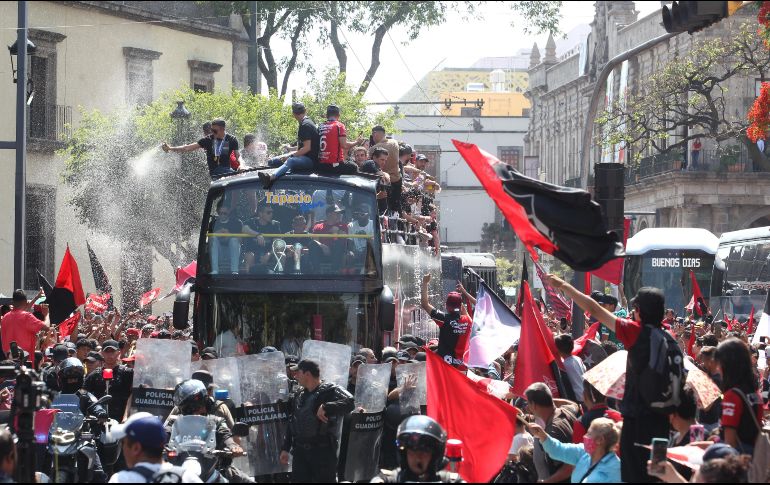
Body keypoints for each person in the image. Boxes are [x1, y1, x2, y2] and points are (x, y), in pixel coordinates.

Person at [546, 274, 677, 483]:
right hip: (663, 427)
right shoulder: (670, 340)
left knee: (634, 477)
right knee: (658, 475)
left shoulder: (637, 332)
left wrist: (564, 286)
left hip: (637, 425)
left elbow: (596, 310)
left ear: (639, 312)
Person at [280, 359, 354, 482]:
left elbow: (350, 402)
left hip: (322, 453)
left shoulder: (330, 390)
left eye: (298, 372)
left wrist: (326, 406)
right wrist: (285, 448)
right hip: (300, 453)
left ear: (307, 374)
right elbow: (293, 421)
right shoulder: (298, 394)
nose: (295, 376)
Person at [167, 379, 250, 483]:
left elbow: (224, 434)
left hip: (212, 465)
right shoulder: (175, 421)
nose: (200, 410)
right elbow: (164, 433)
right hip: (181, 465)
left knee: (244, 480)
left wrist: (233, 446)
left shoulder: (212, 421)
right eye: (190, 408)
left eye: (200, 406)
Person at [108, 413, 200, 483]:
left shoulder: (122, 479)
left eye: (124, 443)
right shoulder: (188, 477)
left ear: (136, 448)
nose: (123, 449)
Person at [372, 415, 464, 483]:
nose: (418, 457)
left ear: (435, 455)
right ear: (404, 453)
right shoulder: (388, 479)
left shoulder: (451, 481)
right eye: (412, 451)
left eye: (424, 452)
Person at [528, 417, 622, 483]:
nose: (584, 436)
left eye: (589, 434)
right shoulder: (582, 452)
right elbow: (559, 449)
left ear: (600, 440)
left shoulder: (615, 468)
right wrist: (543, 436)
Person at [715, 337, 763, 455]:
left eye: (720, 363)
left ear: (728, 365)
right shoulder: (755, 393)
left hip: (735, 461)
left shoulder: (732, 396)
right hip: (753, 456)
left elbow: (729, 444)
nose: (717, 368)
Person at [524, 382, 579, 483]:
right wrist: (547, 399)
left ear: (534, 405)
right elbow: (574, 405)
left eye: (529, 403)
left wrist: (547, 481)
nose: (528, 407)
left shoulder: (553, 431)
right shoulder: (565, 411)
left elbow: (569, 466)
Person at [261, 102, 319, 188]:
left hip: (310, 160)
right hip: (303, 156)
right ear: (306, 111)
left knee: (291, 161)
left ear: (293, 114)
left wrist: (290, 156)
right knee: (273, 161)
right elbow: (302, 147)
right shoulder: (306, 123)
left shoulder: (305, 125)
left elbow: (307, 148)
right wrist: (290, 149)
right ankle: (265, 174)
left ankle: (271, 177)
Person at [162, 118, 241, 178]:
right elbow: (187, 148)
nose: (212, 133)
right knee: (235, 175)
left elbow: (238, 158)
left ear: (223, 129)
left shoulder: (232, 139)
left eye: (215, 131)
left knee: (241, 175)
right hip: (215, 173)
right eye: (212, 130)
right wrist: (170, 148)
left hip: (227, 170)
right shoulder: (208, 140)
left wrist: (242, 167)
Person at [420, 274, 471, 367]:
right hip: (463, 367)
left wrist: (425, 283)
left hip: (446, 367)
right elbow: (464, 312)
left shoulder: (444, 319)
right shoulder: (468, 321)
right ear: (460, 306)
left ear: (446, 306)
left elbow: (424, 304)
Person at [84, 339, 133, 422]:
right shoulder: (94, 375)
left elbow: (134, 394)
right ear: (102, 353)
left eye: (112, 351)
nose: (110, 355)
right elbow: (84, 394)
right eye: (107, 352)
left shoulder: (128, 373)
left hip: (121, 421)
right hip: (98, 420)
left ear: (118, 352)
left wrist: (126, 417)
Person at [1, 289, 49, 360]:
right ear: (26, 302)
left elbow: (24, 310)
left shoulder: (5, 317)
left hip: (8, 360)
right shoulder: (26, 317)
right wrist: (46, 315)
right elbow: (47, 327)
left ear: (12, 302)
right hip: (25, 361)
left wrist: (36, 297)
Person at [316, 104, 361, 175]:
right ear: (338, 115)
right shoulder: (339, 126)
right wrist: (357, 142)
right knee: (354, 167)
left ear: (326, 115)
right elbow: (344, 145)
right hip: (335, 166)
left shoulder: (320, 126)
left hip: (321, 165)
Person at [369, 126, 401, 213]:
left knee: (383, 210)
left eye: (373, 134)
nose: (372, 137)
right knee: (394, 210)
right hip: (397, 180)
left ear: (375, 133)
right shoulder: (395, 143)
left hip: (382, 182)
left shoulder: (373, 149)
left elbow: (370, 164)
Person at [243, 205, 281, 274]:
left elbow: (277, 244)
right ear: (260, 214)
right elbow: (244, 229)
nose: (271, 214)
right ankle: (249, 279)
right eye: (268, 212)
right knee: (249, 255)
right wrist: (258, 235)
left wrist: (269, 254)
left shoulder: (275, 224)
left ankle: (280, 278)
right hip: (253, 252)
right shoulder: (252, 222)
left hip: (269, 253)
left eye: (272, 212)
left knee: (282, 255)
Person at [208, 201, 243, 275]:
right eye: (220, 213)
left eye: (225, 213)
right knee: (213, 238)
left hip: (233, 253)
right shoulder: (213, 223)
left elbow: (241, 241)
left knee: (234, 240)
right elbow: (210, 240)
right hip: (218, 253)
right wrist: (217, 233)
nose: (222, 215)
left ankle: (234, 270)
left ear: (229, 211)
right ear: (217, 211)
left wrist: (229, 235)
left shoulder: (237, 223)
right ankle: (215, 270)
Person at [554, 334, 585, 403]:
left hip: (576, 398)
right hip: (584, 396)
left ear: (558, 349)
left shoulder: (564, 365)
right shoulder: (578, 359)